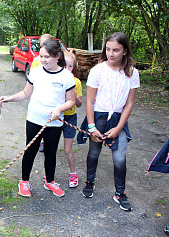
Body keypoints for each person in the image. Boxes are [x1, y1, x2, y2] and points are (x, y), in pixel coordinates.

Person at [0, 39, 76, 198]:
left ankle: (50, 181)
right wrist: (9, 98)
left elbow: (71, 101)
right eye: (41, 56)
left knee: (51, 152)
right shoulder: (35, 72)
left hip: (54, 123)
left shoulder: (66, 76)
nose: (43, 60)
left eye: (47, 56)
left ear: (57, 56)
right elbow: (26, 93)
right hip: (34, 120)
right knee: (30, 150)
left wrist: (59, 109)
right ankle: (24, 181)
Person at [77, 32, 140, 212]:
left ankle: (120, 193)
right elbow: (89, 101)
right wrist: (91, 126)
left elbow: (129, 103)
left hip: (118, 119)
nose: (111, 53)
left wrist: (119, 128)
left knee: (120, 158)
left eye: (116, 50)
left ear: (125, 51)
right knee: (93, 153)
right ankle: (90, 182)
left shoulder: (132, 73)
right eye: (108, 49)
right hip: (98, 117)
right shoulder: (97, 70)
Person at [53, 50, 83, 187]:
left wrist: (75, 97)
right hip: (57, 118)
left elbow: (80, 104)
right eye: (65, 65)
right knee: (51, 148)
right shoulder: (55, 79)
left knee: (67, 150)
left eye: (70, 66)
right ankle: (49, 175)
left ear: (74, 68)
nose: (67, 69)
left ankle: (73, 174)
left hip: (70, 118)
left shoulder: (76, 82)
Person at [30, 33, 54, 152]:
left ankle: (45, 141)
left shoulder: (55, 62)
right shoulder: (36, 61)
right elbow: (31, 81)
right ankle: (39, 140)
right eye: (41, 45)